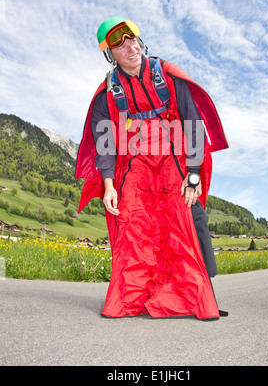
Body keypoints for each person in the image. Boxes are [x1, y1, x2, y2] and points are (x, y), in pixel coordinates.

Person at [75, 17, 229, 320]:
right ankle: (136, 297)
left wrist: (193, 173)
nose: (128, 47)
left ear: (139, 41)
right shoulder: (108, 93)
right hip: (137, 164)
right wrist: (108, 184)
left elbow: (193, 124)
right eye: (119, 45)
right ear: (110, 55)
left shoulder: (168, 76)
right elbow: (105, 141)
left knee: (189, 215)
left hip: (174, 158)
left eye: (131, 39)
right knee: (134, 223)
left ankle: (200, 294)